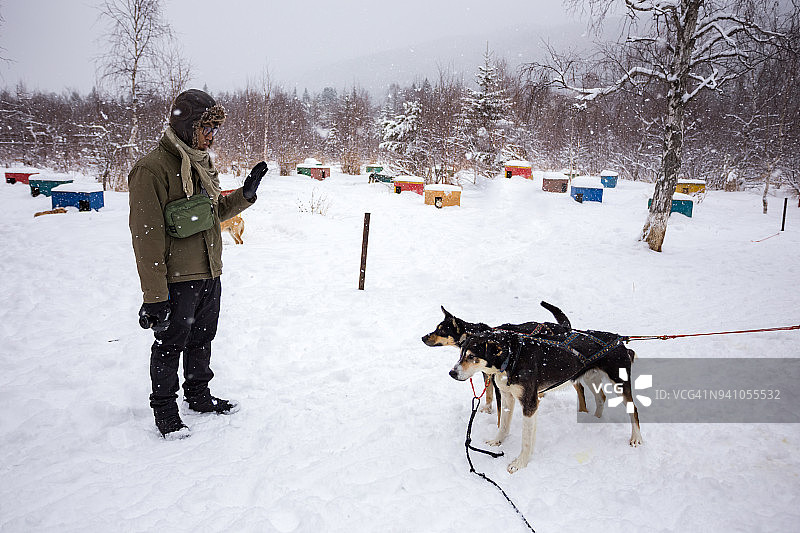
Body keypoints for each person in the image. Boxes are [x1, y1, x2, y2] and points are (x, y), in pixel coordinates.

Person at [128, 88, 269, 439]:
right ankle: (165, 412)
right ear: (188, 125)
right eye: (207, 128)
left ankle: (198, 395)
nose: (212, 136)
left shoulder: (201, 165)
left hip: (209, 270)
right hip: (176, 279)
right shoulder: (152, 170)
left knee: (202, 338)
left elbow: (212, 214)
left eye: (215, 130)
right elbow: (147, 241)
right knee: (170, 344)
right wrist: (155, 296)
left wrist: (245, 195)